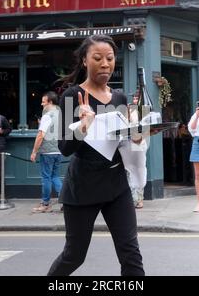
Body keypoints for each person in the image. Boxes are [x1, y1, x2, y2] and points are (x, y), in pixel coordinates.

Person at [47, 34, 145, 276]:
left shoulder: (120, 97)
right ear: (84, 61)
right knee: (74, 256)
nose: (105, 64)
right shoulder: (72, 96)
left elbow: (121, 142)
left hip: (116, 186)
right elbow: (65, 148)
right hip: (83, 187)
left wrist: (136, 135)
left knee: (131, 254)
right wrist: (83, 128)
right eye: (98, 58)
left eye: (110, 58)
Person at [30, 91, 63, 213]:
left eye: (43, 102)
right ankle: (65, 202)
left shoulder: (47, 116)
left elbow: (40, 135)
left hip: (47, 152)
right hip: (58, 150)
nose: (41, 104)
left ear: (50, 102)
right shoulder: (60, 114)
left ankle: (45, 204)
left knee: (46, 178)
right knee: (55, 176)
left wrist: (34, 151)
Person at [125, 92, 147, 209]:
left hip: (139, 144)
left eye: (137, 97)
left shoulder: (143, 111)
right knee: (129, 171)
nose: (134, 99)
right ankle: (132, 198)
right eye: (133, 97)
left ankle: (139, 199)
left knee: (139, 170)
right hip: (128, 144)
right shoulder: (130, 110)